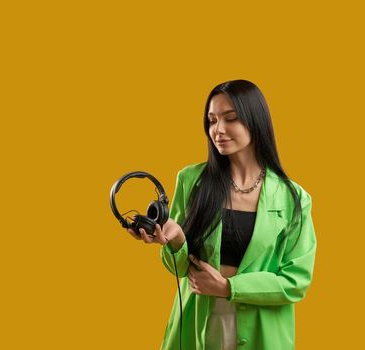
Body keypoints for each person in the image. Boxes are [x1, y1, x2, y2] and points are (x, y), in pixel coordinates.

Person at [127, 80, 317, 350]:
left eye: (231, 119)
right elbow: (178, 268)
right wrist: (177, 241)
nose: (218, 130)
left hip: (263, 334)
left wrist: (229, 288)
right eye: (212, 120)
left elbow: (296, 281)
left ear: (255, 121)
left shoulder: (293, 198)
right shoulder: (191, 180)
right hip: (195, 325)